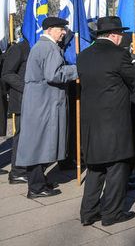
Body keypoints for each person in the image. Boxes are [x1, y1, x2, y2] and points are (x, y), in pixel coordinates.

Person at [77, 16, 135, 227]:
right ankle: (112, 213)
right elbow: (134, 81)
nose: (122, 37)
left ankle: (88, 212)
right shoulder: (119, 55)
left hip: (91, 121)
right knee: (117, 168)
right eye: (120, 34)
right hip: (114, 121)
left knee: (95, 168)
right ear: (113, 35)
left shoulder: (83, 56)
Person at [15, 17, 78, 198]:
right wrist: (76, 69)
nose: (64, 32)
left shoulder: (41, 46)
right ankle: (36, 187)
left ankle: (39, 182)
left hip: (39, 103)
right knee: (38, 145)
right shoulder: (49, 48)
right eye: (61, 29)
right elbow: (54, 75)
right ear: (50, 30)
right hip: (45, 104)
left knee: (37, 144)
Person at [2, 31, 30, 184]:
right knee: (21, 136)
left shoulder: (35, 47)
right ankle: (17, 171)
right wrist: (27, 88)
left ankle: (27, 168)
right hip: (21, 101)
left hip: (34, 102)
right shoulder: (19, 48)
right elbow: (7, 74)